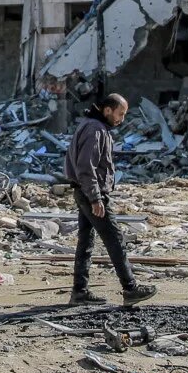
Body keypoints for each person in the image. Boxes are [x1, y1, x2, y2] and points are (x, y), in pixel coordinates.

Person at [64, 92, 157, 307]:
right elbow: (86, 167)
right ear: (107, 110)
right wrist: (96, 198)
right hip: (91, 193)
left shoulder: (91, 126)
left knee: (86, 242)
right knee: (115, 239)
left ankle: (80, 291)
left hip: (84, 192)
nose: (121, 119)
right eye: (120, 114)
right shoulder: (95, 130)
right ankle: (130, 288)